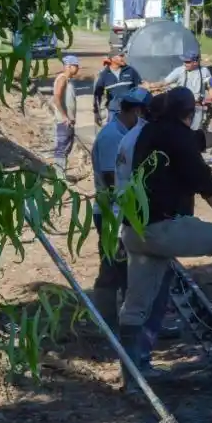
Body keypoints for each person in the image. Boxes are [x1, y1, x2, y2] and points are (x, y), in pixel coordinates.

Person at [116, 88, 212, 391]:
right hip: (164, 229)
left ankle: (132, 375)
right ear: (189, 113)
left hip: (135, 231)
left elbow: (199, 139)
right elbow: (205, 183)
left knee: (135, 306)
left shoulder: (153, 132)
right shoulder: (177, 138)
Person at [89, 88, 149, 328]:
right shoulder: (112, 137)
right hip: (111, 214)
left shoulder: (124, 133)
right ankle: (106, 323)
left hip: (121, 212)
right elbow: (112, 179)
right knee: (112, 267)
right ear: (135, 111)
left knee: (127, 270)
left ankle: (128, 322)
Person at [153, 52, 212, 129]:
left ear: (195, 62)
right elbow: (164, 82)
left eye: (187, 62)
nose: (185, 64)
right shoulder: (179, 71)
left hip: (197, 107)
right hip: (181, 108)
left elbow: (210, 88)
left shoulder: (204, 71)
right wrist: (151, 85)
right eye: (184, 61)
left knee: (195, 132)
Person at [93, 51, 142, 125]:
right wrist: (96, 112)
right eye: (121, 56)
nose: (123, 58)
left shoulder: (130, 70)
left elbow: (139, 87)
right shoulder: (104, 75)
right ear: (113, 59)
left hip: (131, 111)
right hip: (114, 112)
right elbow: (97, 95)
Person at [51, 55, 80, 175]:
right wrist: (64, 117)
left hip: (68, 121)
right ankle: (59, 176)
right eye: (76, 66)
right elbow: (56, 98)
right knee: (61, 149)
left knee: (66, 148)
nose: (78, 68)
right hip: (63, 122)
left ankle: (61, 174)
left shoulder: (68, 81)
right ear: (68, 66)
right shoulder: (62, 79)